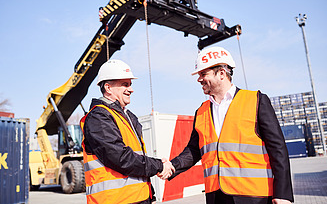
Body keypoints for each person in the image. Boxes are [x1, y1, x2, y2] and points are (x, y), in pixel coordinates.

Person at [166, 47, 294, 204]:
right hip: (216, 196)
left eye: (203, 74)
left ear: (221, 73)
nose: (199, 79)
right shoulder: (201, 111)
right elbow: (193, 150)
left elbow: (278, 149)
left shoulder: (256, 100)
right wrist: (171, 166)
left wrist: (283, 194)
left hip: (254, 196)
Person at [80, 59, 174, 204]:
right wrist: (159, 165)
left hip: (139, 198)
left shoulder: (129, 117)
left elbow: (138, 157)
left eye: (130, 84)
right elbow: (120, 158)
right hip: (115, 200)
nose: (131, 89)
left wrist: (151, 195)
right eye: (125, 84)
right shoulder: (98, 117)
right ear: (108, 87)